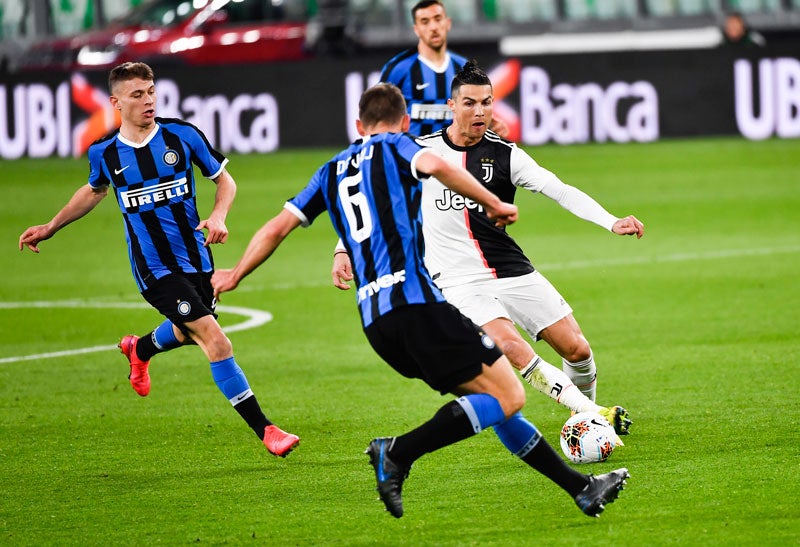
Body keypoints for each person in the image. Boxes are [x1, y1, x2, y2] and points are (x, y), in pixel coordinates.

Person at [211, 82, 629, 519]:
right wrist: (491, 201)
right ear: (404, 122)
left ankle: (582, 490)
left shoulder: (330, 170)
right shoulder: (401, 147)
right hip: (418, 306)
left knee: (495, 403)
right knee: (508, 395)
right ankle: (398, 451)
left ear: (358, 126)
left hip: (376, 322)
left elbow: (277, 227)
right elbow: (434, 162)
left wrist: (236, 274)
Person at [333, 61, 644, 436]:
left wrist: (610, 220)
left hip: (510, 268)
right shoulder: (419, 151)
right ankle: (593, 415)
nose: (479, 111)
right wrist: (342, 249)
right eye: (469, 103)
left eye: (486, 102)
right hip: (456, 280)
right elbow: (373, 196)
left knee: (577, 350)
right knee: (510, 346)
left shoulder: (506, 154)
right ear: (451, 105)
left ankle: (586, 414)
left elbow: (557, 189)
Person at [17, 61, 300, 458]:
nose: (148, 100)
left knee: (187, 332)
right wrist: (51, 226)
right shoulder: (106, 152)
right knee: (215, 340)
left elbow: (224, 180)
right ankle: (267, 430)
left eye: (151, 91)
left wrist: (218, 216)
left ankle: (141, 349)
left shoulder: (182, 136)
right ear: (116, 102)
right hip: (154, 270)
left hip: (197, 261)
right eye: (137, 95)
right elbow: (94, 190)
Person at [379, 0, 508, 138]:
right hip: (413, 156)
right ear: (416, 29)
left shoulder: (464, 67)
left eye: (437, 19)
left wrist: (491, 123)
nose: (433, 27)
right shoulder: (398, 68)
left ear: (447, 23)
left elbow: (476, 109)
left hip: (454, 157)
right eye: (425, 21)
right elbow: (379, 116)